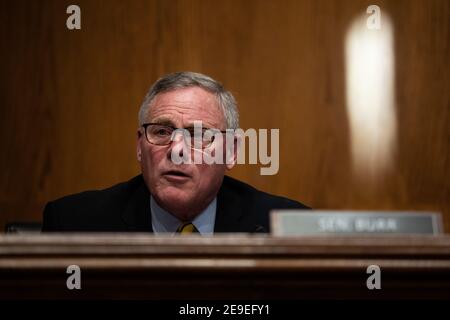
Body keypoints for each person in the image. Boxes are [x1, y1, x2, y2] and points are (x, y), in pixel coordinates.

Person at [42, 72, 309, 234]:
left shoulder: (286, 227)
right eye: (161, 132)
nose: (177, 151)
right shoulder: (73, 223)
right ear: (139, 146)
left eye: (199, 135)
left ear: (231, 151)